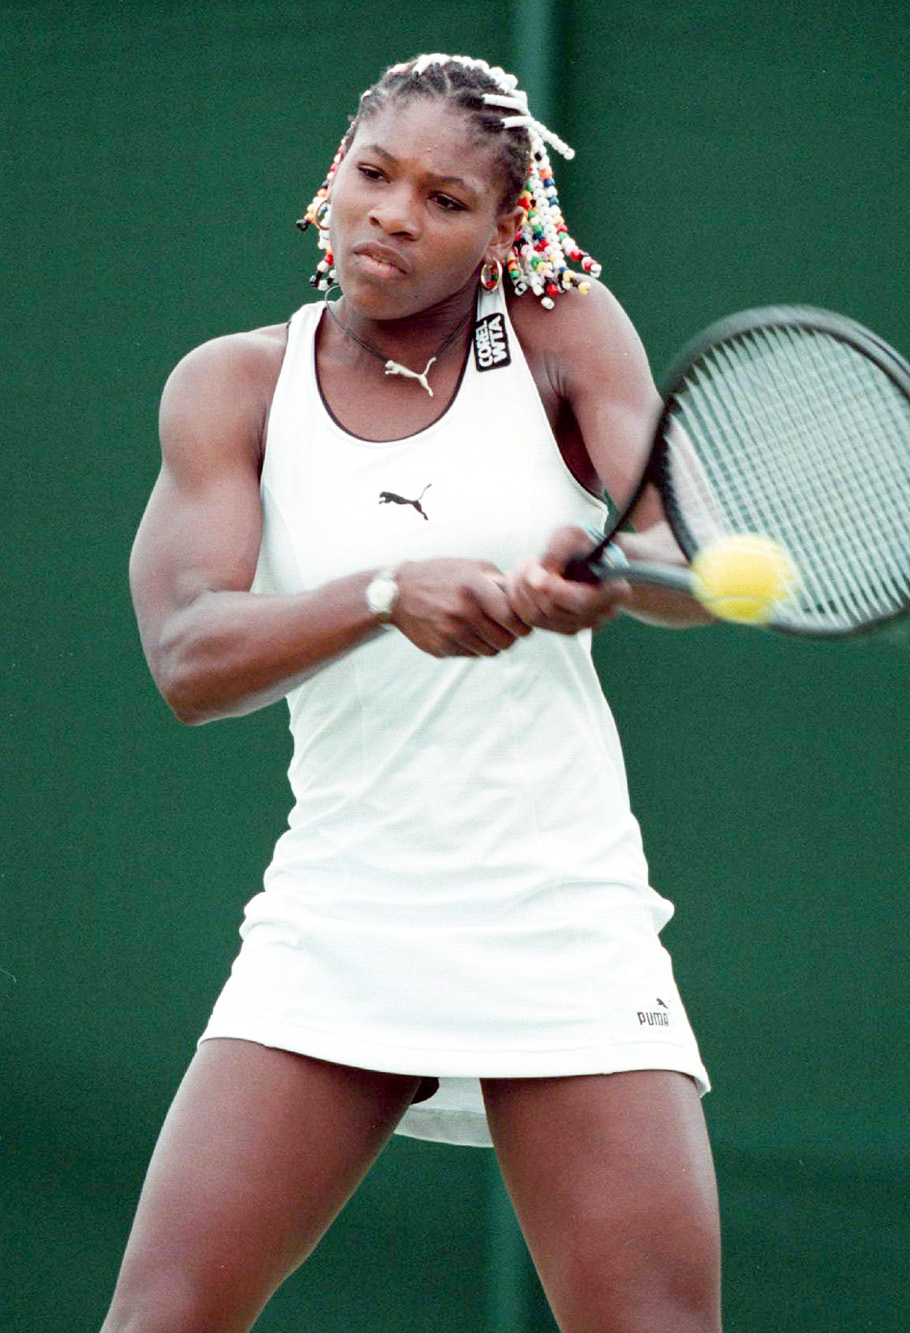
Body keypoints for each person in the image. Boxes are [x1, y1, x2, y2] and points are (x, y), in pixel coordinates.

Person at [104, 53, 722, 1333]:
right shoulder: (230, 385)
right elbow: (189, 660)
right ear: (333, 174)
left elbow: (687, 555)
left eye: (445, 200)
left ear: (503, 229)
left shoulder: (562, 335)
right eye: (374, 174)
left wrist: (607, 577)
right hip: (339, 915)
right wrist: (388, 591)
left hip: (560, 914)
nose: (392, 214)